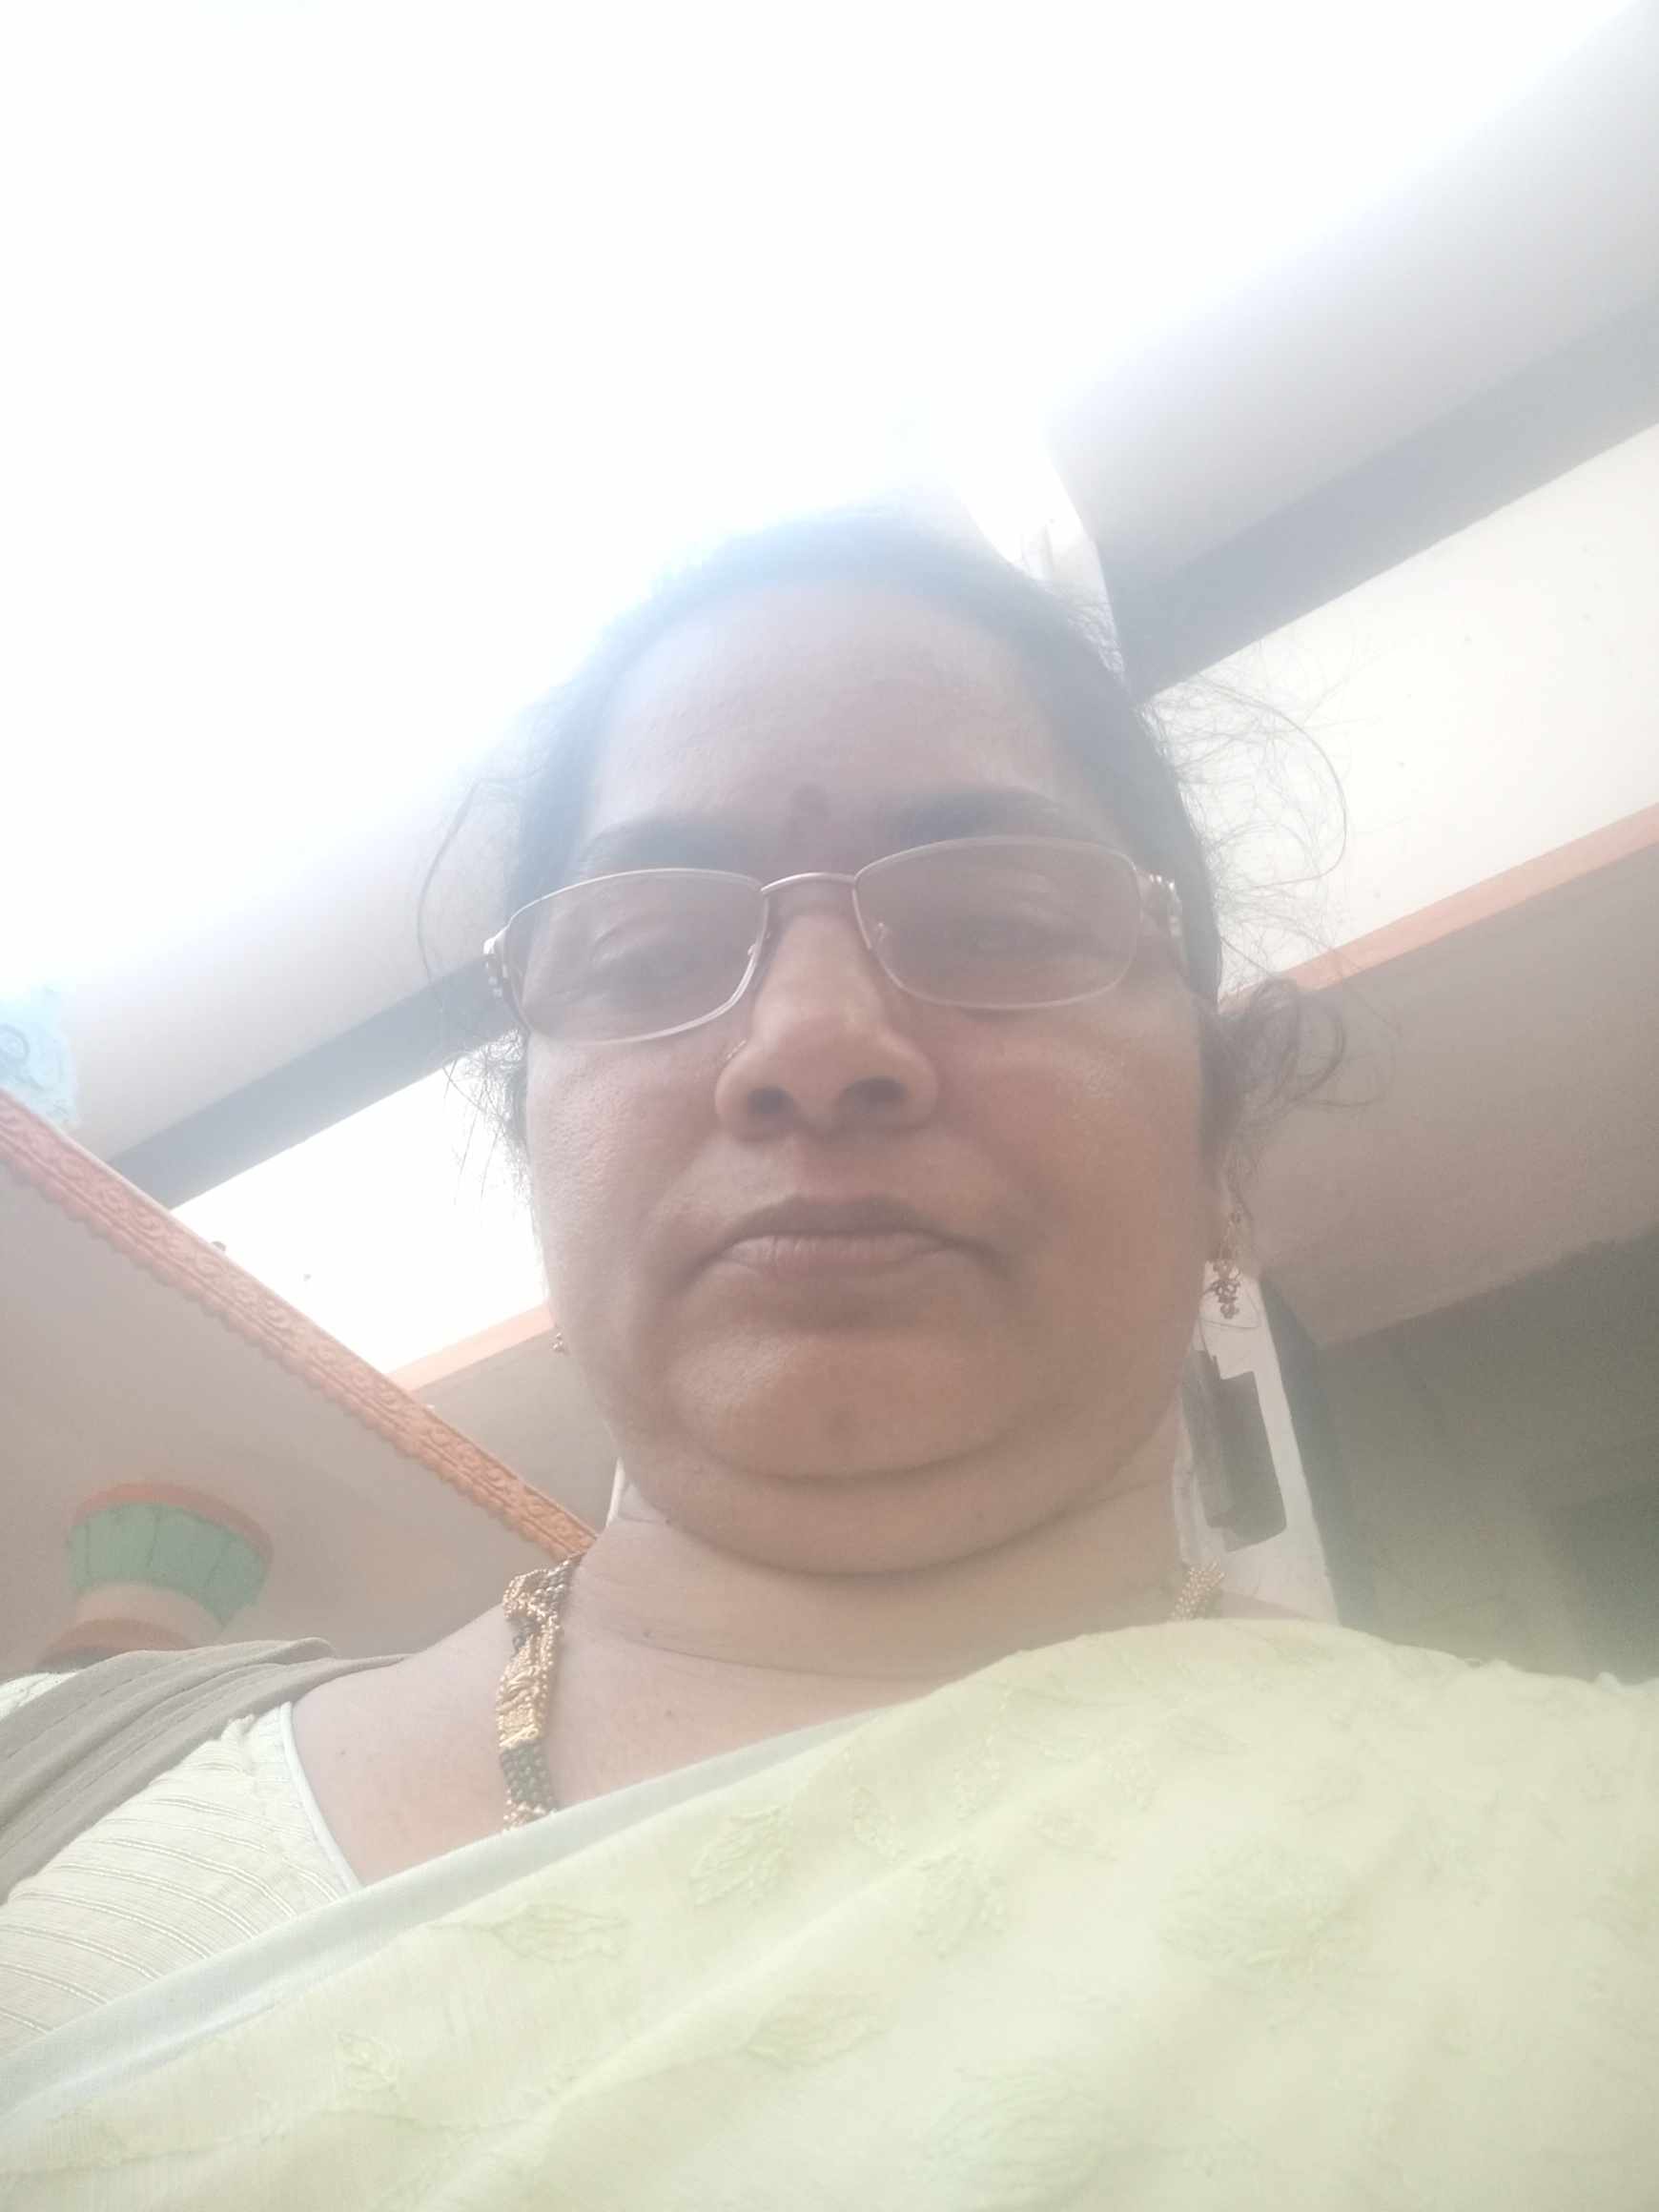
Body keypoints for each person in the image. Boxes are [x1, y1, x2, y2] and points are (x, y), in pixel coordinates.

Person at [3, 514, 1657, 2207]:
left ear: (1218, 1151)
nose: (811, 1042)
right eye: (650, 957)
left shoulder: (1592, 1878)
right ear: (542, 1153)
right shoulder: (52, 1781)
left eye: (996, 923)